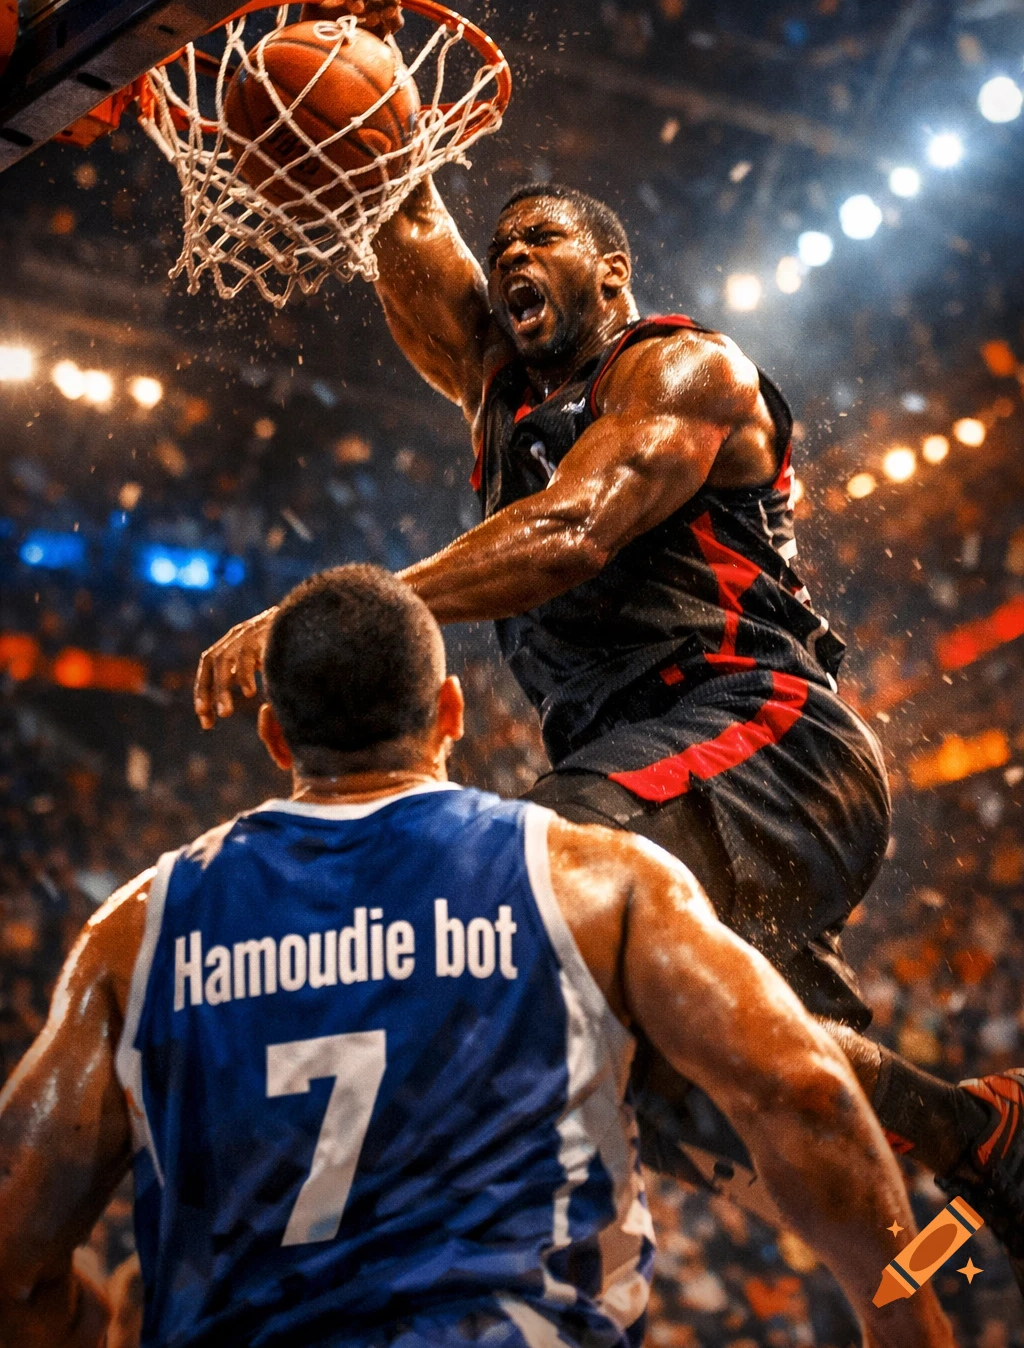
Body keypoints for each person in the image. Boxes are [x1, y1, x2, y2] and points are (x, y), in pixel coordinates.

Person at [192, 0, 1024, 1256]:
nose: (512, 254)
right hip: (655, 767)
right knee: (705, 1069)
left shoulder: (681, 366)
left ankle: (486, 1252)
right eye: (504, 241)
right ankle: (978, 1138)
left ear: (613, 274)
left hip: (769, 741)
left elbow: (575, 534)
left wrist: (347, 613)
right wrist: (357, 59)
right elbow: (407, 228)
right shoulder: (495, 383)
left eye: (542, 240)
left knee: (537, 876)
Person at [0, 565, 952, 1348]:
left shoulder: (136, 934)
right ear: (450, 710)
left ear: (276, 733)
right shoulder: (590, 879)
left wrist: (89, 1326)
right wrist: (907, 1317)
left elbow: (14, 1254)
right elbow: (808, 1096)